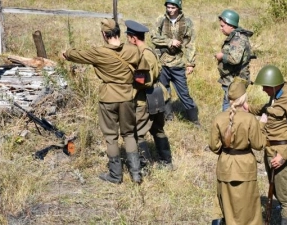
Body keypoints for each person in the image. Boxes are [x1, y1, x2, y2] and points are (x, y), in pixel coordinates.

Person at [62, 18, 147, 184]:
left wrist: (66, 53)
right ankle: (136, 174)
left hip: (108, 97)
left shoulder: (98, 52)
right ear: (119, 33)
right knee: (129, 134)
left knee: (111, 137)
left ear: (104, 34)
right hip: (127, 96)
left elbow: (75, 55)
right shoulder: (133, 50)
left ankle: (115, 175)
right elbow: (143, 70)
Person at [245, 65, 287, 225]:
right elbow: (269, 110)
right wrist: (248, 108)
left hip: (282, 154)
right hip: (270, 151)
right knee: (279, 193)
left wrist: (283, 156)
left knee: (285, 198)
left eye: (265, 87)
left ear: (274, 85)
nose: (264, 90)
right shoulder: (276, 96)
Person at [209, 81, 266, 225]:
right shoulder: (249, 119)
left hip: (225, 166)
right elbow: (259, 144)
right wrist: (262, 124)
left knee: (225, 205)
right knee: (249, 208)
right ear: (244, 99)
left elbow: (214, 147)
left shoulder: (219, 118)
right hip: (245, 166)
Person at [124, 20, 174, 172]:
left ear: (134, 39)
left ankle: (144, 166)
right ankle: (166, 162)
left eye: (128, 38)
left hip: (146, 98)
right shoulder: (149, 50)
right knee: (158, 130)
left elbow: (143, 81)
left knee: (138, 133)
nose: (127, 41)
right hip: (159, 95)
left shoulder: (143, 55)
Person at [151, 0, 200, 126]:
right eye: (168, 7)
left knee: (183, 93)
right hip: (162, 62)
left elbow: (191, 43)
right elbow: (154, 37)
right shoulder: (161, 20)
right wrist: (169, 41)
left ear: (178, 7)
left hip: (178, 64)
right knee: (164, 91)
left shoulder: (187, 22)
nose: (170, 9)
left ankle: (194, 120)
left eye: (173, 7)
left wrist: (190, 63)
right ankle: (168, 117)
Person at [215, 9, 254, 112]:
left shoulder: (238, 38)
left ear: (231, 25)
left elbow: (235, 59)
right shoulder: (235, 37)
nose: (220, 28)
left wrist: (221, 56)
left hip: (235, 81)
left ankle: (227, 125)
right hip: (232, 80)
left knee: (230, 107)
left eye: (222, 26)